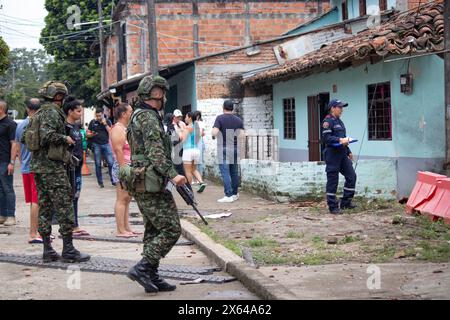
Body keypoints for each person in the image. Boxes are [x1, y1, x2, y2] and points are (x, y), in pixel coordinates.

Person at [126, 75, 187, 294]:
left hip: (144, 180)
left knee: (153, 230)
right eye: (160, 94)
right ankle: (142, 268)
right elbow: (156, 152)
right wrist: (173, 175)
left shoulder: (138, 115)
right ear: (157, 95)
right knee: (171, 229)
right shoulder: (149, 117)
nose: (162, 98)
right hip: (151, 180)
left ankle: (151, 274)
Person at [27, 81, 89, 263]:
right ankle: (68, 249)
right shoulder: (52, 112)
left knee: (45, 207)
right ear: (59, 96)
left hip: (39, 167)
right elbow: (47, 136)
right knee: (64, 205)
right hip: (52, 168)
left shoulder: (38, 113)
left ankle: (48, 249)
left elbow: (26, 137)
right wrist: (66, 139)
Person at [321, 99, 357, 215]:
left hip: (342, 154)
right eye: (339, 107)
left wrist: (348, 151)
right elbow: (326, 138)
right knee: (333, 180)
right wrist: (339, 140)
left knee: (351, 176)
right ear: (332, 108)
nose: (341, 110)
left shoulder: (340, 122)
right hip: (332, 154)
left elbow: (344, 138)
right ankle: (333, 206)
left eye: (342, 108)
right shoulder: (327, 122)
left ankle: (346, 202)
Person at [12, 98, 41, 242]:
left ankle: (37, 231)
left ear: (28, 109)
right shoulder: (40, 124)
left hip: (25, 168)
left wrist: (19, 160)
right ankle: (33, 233)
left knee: (33, 202)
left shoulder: (20, 125)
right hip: (37, 169)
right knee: (37, 201)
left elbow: (16, 147)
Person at [110, 103, 137, 238]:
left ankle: (127, 227)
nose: (132, 114)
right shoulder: (117, 129)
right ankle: (121, 230)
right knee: (121, 199)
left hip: (128, 166)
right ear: (123, 114)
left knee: (127, 199)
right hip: (122, 166)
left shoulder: (125, 128)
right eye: (130, 111)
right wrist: (123, 169)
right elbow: (118, 150)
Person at [63, 96, 89, 236]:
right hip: (69, 168)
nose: (80, 114)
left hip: (78, 166)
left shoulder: (76, 127)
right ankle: (70, 226)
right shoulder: (65, 128)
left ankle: (75, 224)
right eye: (78, 111)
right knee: (70, 196)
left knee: (76, 195)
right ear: (70, 111)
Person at [212, 100, 244, 203]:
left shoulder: (220, 118)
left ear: (223, 107)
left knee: (225, 171)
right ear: (232, 108)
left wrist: (213, 135)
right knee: (234, 171)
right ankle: (235, 194)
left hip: (224, 148)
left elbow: (214, 132)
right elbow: (242, 136)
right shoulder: (238, 120)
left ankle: (228, 195)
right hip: (235, 148)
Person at [87, 108, 115, 188]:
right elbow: (87, 133)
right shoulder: (92, 122)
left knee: (111, 163)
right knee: (98, 164)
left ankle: (113, 180)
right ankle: (100, 183)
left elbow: (110, 132)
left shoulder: (108, 121)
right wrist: (91, 135)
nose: (98, 117)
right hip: (96, 145)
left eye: (100, 115)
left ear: (103, 114)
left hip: (106, 144)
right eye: (97, 116)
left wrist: (105, 124)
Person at [0, 99, 17, 226]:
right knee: (0, 190)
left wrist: (12, 162)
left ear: (1, 109)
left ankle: (11, 215)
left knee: (8, 188)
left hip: (5, 161)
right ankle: (2, 214)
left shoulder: (10, 124)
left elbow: (14, 144)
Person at [182, 112, 206, 193]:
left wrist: (180, 134)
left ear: (190, 118)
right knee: (194, 170)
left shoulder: (187, 128)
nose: (185, 118)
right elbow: (199, 138)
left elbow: (183, 140)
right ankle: (201, 182)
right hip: (196, 150)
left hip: (187, 151)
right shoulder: (197, 128)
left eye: (186, 116)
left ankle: (188, 189)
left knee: (188, 171)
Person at [193, 111, 206, 178]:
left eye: (198, 116)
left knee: (199, 160)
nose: (197, 117)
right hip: (194, 142)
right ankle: (195, 178)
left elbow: (203, 133)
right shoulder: (192, 123)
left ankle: (199, 177)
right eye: (196, 115)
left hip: (199, 142)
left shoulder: (201, 123)